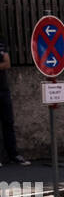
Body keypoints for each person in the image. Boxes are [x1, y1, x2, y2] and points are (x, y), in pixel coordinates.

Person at [0, 33, 27, 166]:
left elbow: (7, 63)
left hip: (3, 89)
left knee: (8, 122)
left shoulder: (0, 41)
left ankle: (13, 154)